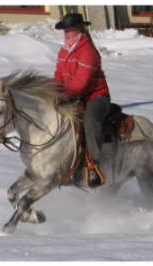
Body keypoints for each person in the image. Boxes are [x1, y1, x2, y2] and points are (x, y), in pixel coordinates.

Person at [54, 13, 111, 187]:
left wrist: (61, 95)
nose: (66, 32)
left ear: (80, 29)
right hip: (73, 95)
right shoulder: (65, 50)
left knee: (91, 122)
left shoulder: (88, 51)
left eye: (69, 29)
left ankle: (94, 164)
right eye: (64, 29)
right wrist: (49, 90)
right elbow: (59, 76)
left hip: (96, 96)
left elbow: (80, 84)